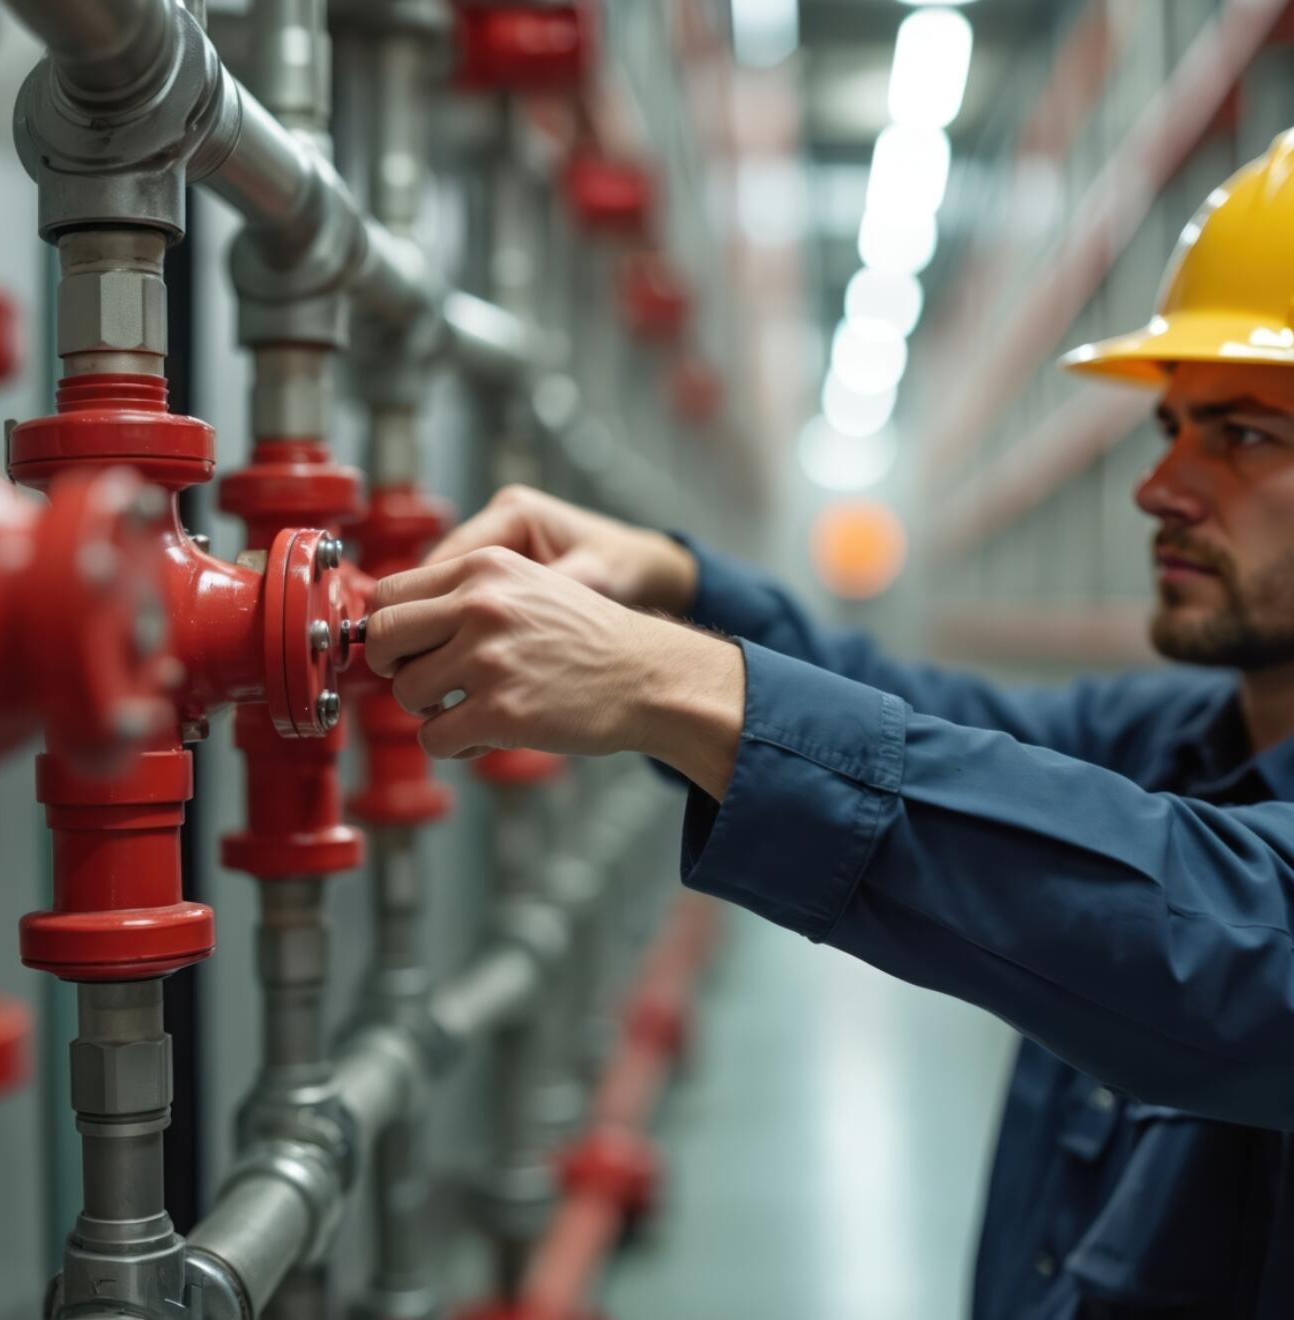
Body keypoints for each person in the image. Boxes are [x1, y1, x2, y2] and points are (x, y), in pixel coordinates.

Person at [365, 135, 1294, 1316]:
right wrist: (674, 592)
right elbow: (937, 730)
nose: (1159, 487)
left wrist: (676, 685)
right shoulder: (1186, 741)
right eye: (1172, 428)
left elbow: (1239, 934)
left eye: (1243, 433)